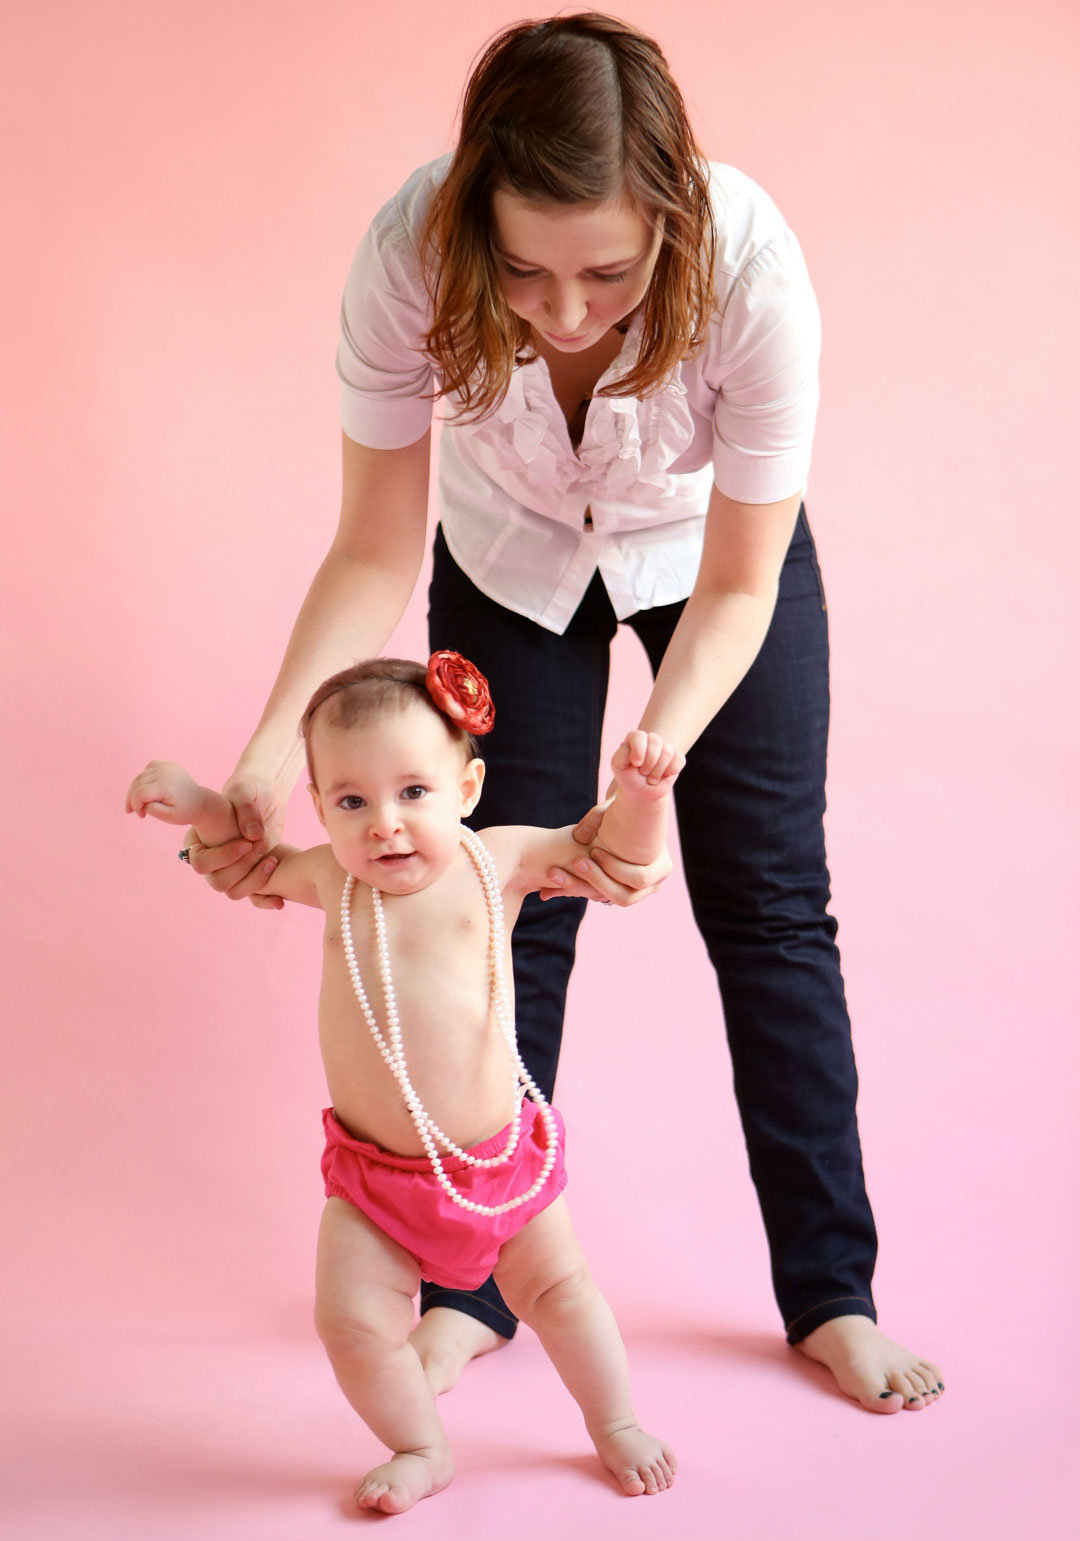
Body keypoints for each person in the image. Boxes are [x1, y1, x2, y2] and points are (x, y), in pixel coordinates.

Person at [183, 14, 943, 1413]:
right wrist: (266, 749)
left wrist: (660, 747)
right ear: (478, 217)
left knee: (773, 908)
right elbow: (372, 546)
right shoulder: (409, 253)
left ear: (671, 222)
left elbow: (743, 579)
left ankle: (833, 1295)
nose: (568, 312)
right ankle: (474, 1292)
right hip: (510, 559)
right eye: (525, 271)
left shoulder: (753, 268)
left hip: (711, 561)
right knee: (493, 910)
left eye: (609, 272)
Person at [127, 655, 682, 1511]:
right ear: (320, 808)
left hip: (496, 1165)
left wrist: (642, 800)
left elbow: (610, 851)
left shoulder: (495, 860)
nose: (384, 824)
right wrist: (202, 806)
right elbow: (247, 862)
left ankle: (616, 1425)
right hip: (375, 1184)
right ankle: (421, 1446)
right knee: (350, 1326)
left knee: (565, 1296)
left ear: (468, 787)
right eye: (352, 801)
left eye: (413, 792)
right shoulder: (330, 875)